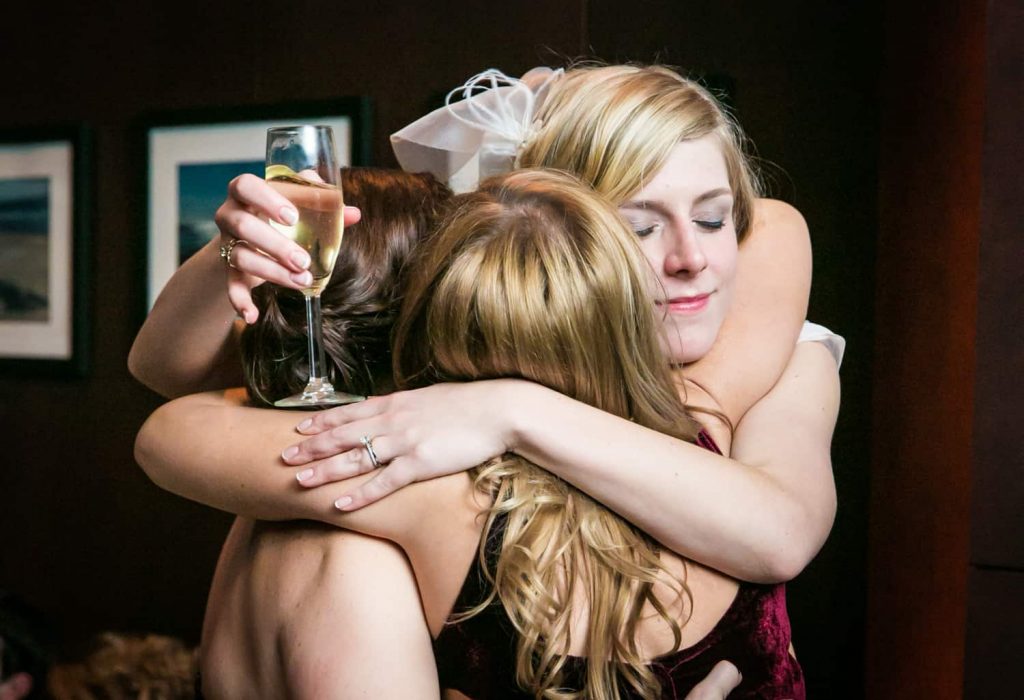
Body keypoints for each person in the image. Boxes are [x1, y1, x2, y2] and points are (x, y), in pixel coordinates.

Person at [130, 63, 840, 694]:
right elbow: (167, 400)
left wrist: (510, 411)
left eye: (714, 218)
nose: (692, 257)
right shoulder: (446, 375)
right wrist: (233, 248)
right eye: (641, 227)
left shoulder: (777, 354)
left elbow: (781, 532)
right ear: (558, 234)